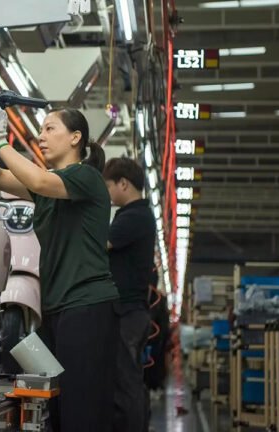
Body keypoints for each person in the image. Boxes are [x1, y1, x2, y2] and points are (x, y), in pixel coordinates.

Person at [0, 108, 120, 432]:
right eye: (41, 129)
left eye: (50, 128)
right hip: (56, 308)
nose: (41, 136)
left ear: (76, 138)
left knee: (82, 410)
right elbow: (0, 177)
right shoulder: (48, 191)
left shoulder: (86, 177)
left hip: (87, 306)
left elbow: (36, 178)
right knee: (58, 406)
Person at [103, 158, 157, 432]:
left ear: (123, 183)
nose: (107, 193)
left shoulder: (134, 216)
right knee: (124, 381)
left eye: (108, 186)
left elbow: (102, 243)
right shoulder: (135, 215)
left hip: (129, 314)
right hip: (129, 312)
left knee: (125, 384)